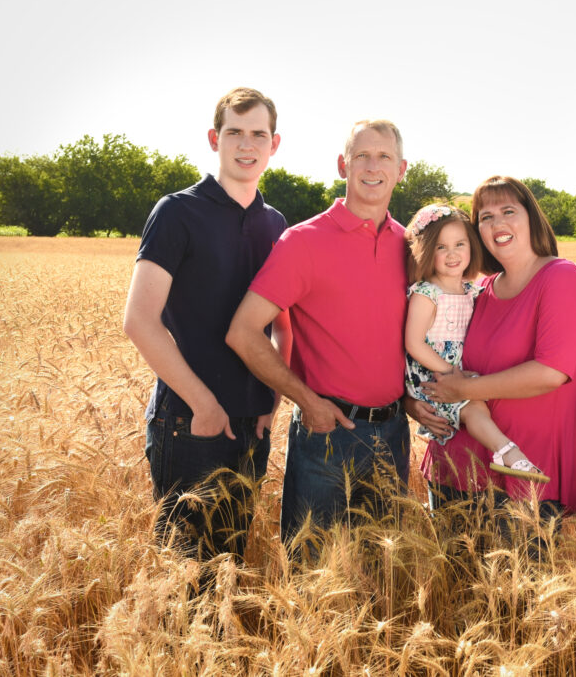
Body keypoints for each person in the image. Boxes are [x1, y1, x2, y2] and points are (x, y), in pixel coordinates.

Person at [226, 119, 412, 549]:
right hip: (327, 435)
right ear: (342, 164)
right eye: (362, 155)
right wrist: (307, 402)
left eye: (384, 156)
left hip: (393, 435)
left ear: (401, 169)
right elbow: (244, 331)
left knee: (383, 577)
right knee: (311, 578)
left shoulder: (410, 245)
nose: (372, 166)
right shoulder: (303, 242)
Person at [123, 87, 290, 559]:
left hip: (252, 422)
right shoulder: (177, 212)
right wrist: (204, 405)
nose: (246, 144)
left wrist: (272, 398)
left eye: (259, 134)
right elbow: (139, 321)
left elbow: (282, 325)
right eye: (234, 132)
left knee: (229, 568)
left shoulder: (276, 224)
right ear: (214, 138)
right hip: (189, 421)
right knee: (184, 575)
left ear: (274, 144)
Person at [420, 176, 576, 521]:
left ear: (531, 217)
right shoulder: (478, 290)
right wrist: (418, 404)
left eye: (508, 211)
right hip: (454, 467)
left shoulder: (562, 279)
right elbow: (438, 356)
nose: (497, 223)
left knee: (523, 575)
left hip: (525, 475)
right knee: (451, 576)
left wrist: (464, 388)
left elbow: (551, 373)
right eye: (485, 217)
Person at [404, 203, 549, 482]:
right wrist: (449, 373)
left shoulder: (473, 290)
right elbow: (414, 343)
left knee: (479, 403)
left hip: (457, 370)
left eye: (460, 244)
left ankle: (502, 450)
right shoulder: (426, 293)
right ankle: (509, 454)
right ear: (426, 251)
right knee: (474, 408)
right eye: (441, 247)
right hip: (431, 373)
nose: (452, 254)